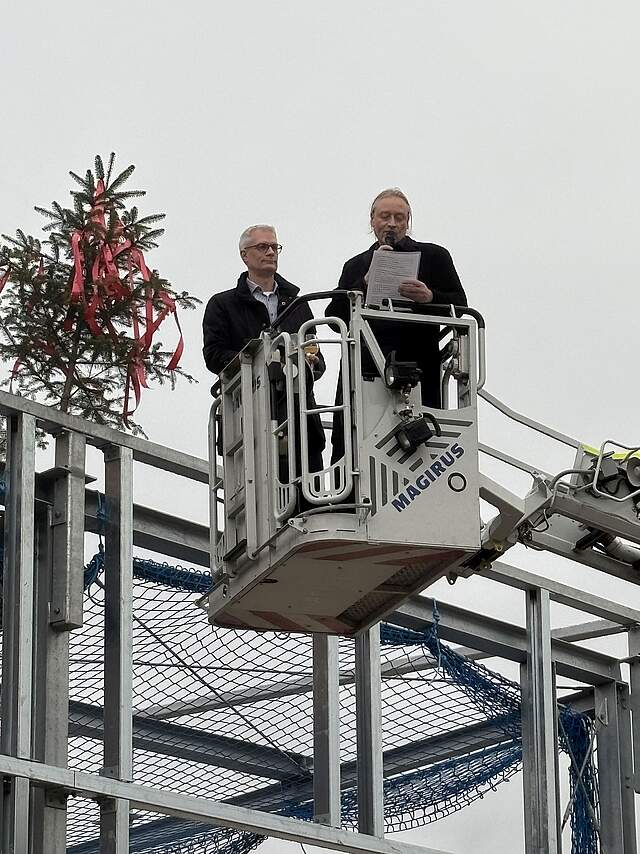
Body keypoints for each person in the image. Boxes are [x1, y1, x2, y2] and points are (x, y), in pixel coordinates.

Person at [325, 188, 467, 460]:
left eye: (399, 217)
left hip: (418, 367)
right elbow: (335, 318)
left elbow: (459, 306)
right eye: (385, 216)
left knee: (424, 450)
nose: (392, 223)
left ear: (408, 220)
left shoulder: (434, 256)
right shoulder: (355, 265)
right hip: (365, 369)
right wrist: (364, 283)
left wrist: (429, 296)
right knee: (353, 446)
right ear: (372, 220)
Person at [202, 224, 325, 473]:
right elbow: (214, 356)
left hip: (299, 416)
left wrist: (312, 363)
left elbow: (317, 355)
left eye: (274, 247)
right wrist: (261, 358)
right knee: (258, 496)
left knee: (307, 499)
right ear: (244, 255)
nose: (270, 252)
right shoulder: (223, 305)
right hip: (248, 416)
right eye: (262, 246)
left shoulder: (298, 304)